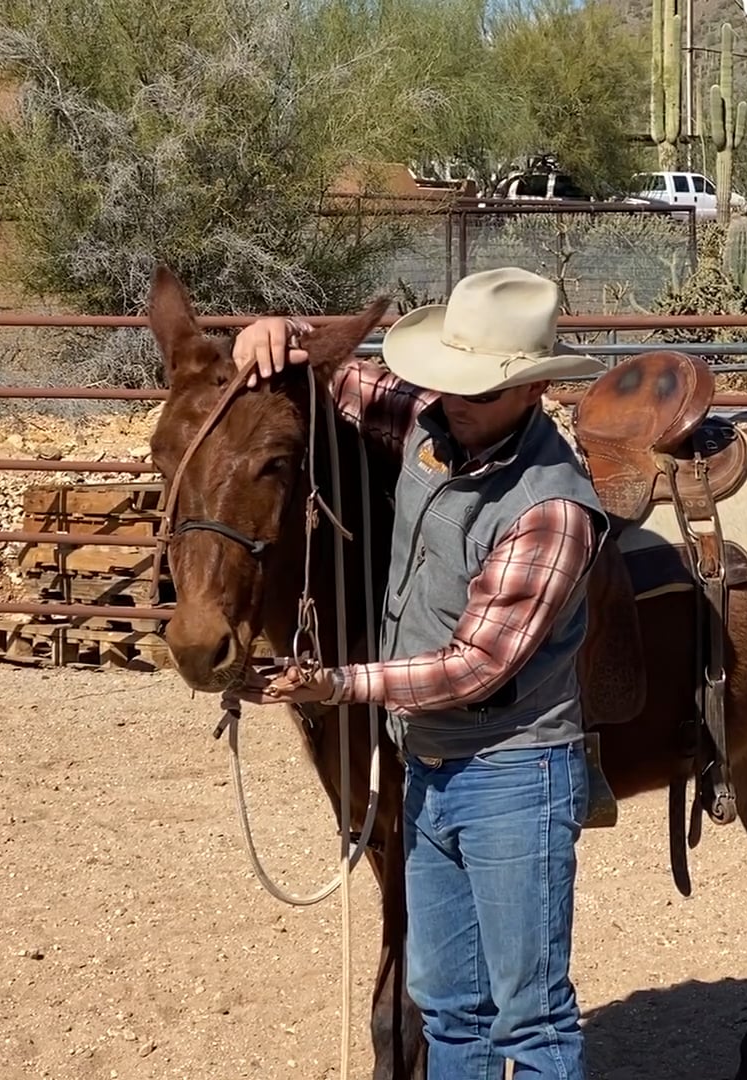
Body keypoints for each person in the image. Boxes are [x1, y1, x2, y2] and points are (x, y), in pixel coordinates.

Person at [233, 267, 610, 1080]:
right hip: (431, 765)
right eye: (444, 375)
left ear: (530, 389)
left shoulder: (551, 509)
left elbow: (477, 666)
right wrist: (277, 331)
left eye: (475, 384)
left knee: (533, 1020)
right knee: (448, 1007)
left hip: (514, 771)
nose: (450, 394)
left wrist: (339, 684)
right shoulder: (433, 419)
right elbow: (332, 377)